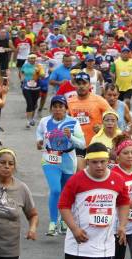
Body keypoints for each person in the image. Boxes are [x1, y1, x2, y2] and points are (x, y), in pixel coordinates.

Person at [36, 95, 85, 236]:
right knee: (56, 189)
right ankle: (52, 222)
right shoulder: (44, 121)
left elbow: (82, 144)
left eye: (61, 107)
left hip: (68, 159)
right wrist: (39, 141)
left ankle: (64, 220)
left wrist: (71, 137)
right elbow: (39, 133)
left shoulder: (73, 123)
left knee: (66, 192)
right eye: (55, 107)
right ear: (51, 108)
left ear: (66, 109)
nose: (57, 109)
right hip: (50, 158)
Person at [67, 71, 113, 170]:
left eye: (84, 83)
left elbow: (113, 117)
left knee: (97, 172)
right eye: (78, 84)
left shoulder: (99, 100)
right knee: (80, 171)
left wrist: (103, 127)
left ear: (89, 85)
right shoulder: (70, 101)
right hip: (78, 144)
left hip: (96, 144)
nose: (81, 86)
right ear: (75, 85)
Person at [20, 54, 45, 128]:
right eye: (31, 58)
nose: (32, 60)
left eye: (34, 58)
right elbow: (22, 72)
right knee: (29, 103)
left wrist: (39, 73)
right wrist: (22, 79)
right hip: (26, 87)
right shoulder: (25, 65)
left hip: (36, 88)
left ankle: (32, 118)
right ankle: (28, 121)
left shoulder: (39, 66)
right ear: (28, 59)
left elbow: (43, 75)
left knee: (34, 104)